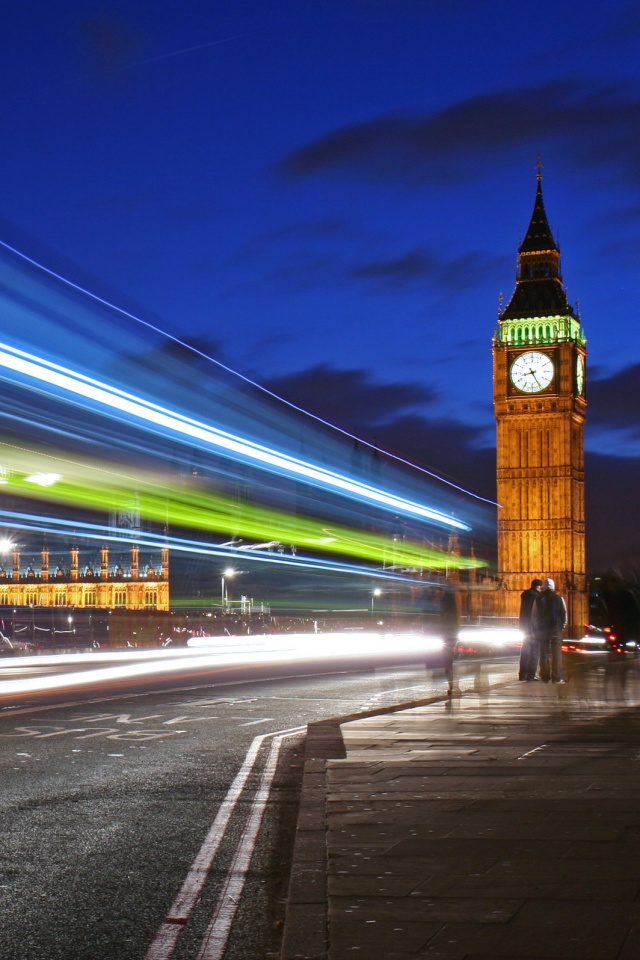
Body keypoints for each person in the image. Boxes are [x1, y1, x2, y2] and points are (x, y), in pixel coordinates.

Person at [531, 577, 568, 683]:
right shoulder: (559, 598)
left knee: (544, 653)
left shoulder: (538, 599)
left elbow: (534, 615)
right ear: (553, 587)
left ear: (544, 587)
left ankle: (545, 676)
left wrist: (537, 627)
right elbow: (564, 615)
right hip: (556, 629)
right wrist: (561, 627)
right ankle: (556, 677)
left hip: (542, 629)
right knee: (557, 653)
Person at [518, 578, 543, 680]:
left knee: (525, 650)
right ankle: (531, 674)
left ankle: (522, 674)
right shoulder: (537, 597)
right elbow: (537, 614)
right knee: (535, 651)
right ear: (539, 587)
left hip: (524, 627)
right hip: (534, 627)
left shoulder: (525, 596)